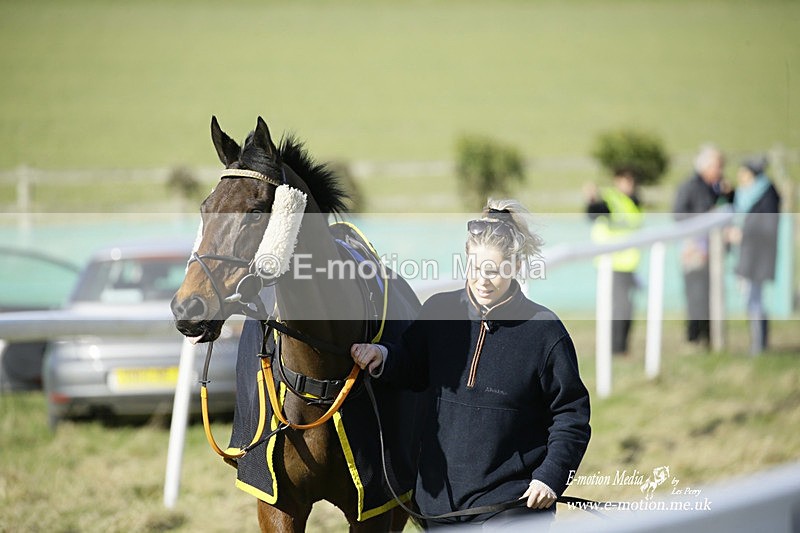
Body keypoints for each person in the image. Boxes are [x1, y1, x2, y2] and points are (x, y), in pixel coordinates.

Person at [350, 199, 592, 528]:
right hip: (440, 509)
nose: (482, 280)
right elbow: (413, 365)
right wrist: (385, 357)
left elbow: (571, 417)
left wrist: (551, 477)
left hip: (513, 506)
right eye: (475, 268)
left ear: (515, 267)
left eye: (494, 270)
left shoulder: (546, 332)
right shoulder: (438, 311)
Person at [672, 144, 733, 345]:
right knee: (696, 297)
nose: (720, 170)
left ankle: (710, 338)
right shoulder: (689, 187)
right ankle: (695, 338)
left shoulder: (716, 188)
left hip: (713, 252)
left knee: (710, 297)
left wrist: (728, 194)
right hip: (695, 251)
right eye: (717, 166)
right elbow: (679, 216)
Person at [585, 168, 643, 356]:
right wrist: (592, 200)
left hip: (628, 264)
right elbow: (594, 212)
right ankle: (615, 350)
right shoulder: (610, 199)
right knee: (618, 309)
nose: (629, 185)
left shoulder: (633, 202)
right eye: (625, 180)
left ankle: (622, 348)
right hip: (611, 265)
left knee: (627, 308)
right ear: (617, 181)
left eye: (631, 181)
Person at [727, 155, 781, 355]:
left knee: (754, 300)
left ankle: (759, 346)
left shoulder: (767, 195)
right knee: (751, 300)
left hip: (758, 256)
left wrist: (744, 234)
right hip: (747, 254)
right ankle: (758, 344)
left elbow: (767, 226)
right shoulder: (745, 194)